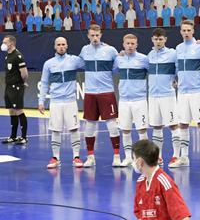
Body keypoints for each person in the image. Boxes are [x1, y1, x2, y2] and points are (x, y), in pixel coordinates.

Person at [171, 20, 200, 168]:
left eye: (189, 30)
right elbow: (177, 67)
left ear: (193, 31)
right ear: (180, 31)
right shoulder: (178, 48)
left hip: (197, 92)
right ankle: (184, 157)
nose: (186, 33)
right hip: (182, 92)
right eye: (184, 30)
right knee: (183, 124)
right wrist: (175, 79)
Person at [38, 37, 83, 168]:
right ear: (55, 47)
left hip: (70, 102)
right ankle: (55, 158)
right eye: (59, 44)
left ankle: (76, 157)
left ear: (67, 46)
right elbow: (45, 83)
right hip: (55, 102)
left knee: (74, 129)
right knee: (55, 130)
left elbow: (90, 64)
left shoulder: (74, 60)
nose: (61, 46)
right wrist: (41, 101)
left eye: (63, 44)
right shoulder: (48, 64)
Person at [79, 24, 121, 167]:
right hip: (90, 93)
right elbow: (80, 63)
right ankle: (90, 157)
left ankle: (116, 156)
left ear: (101, 35)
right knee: (89, 125)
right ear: (88, 36)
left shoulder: (110, 50)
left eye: (97, 35)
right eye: (92, 35)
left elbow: (117, 67)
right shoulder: (84, 50)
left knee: (112, 125)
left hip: (106, 92)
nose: (95, 38)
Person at [114, 34, 150, 166]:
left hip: (139, 100)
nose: (130, 46)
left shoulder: (144, 59)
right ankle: (128, 157)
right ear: (123, 44)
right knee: (125, 130)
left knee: (142, 130)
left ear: (136, 45)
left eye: (132, 44)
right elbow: (112, 71)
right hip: (124, 100)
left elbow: (154, 73)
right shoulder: (119, 60)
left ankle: (144, 158)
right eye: (127, 43)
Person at [148, 28, 180, 165]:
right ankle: (158, 156)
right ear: (152, 40)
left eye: (161, 39)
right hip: (153, 96)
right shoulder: (149, 55)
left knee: (173, 125)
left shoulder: (173, 53)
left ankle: (176, 155)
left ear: (165, 40)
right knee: (157, 127)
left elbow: (181, 67)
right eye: (156, 39)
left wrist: (177, 79)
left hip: (168, 96)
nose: (158, 41)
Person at [1, 36, 29, 144]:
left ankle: (24, 137)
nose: (3, 44)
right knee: (11, 111)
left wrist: (22, 82)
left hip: (16, 86)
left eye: (5, 42)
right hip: (8, 87)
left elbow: (24, 73)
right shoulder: (8, 56)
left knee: (18, 110)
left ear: (11, 43)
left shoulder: (18, 56)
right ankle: (13, 136)